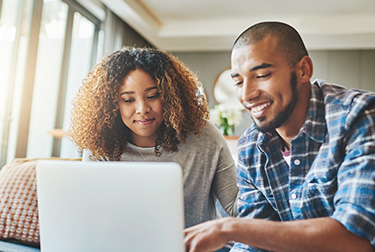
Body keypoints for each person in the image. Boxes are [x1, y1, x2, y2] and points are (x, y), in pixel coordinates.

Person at [184, 21, 375, 252]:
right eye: (238, 82)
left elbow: (357, 239)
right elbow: (254, 244)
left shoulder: (359, 116)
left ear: (303, 70)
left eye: (262, 75)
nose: (247, 94)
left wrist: (229, 228)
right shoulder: (251, 147)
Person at [69, 46, 239, 252]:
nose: (142, 109)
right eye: (128, 99)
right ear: (112, 104)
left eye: (152, 96)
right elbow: (95, 217)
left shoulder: (204, 136)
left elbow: (235, 207)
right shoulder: (101, 146)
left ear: (170, 95)